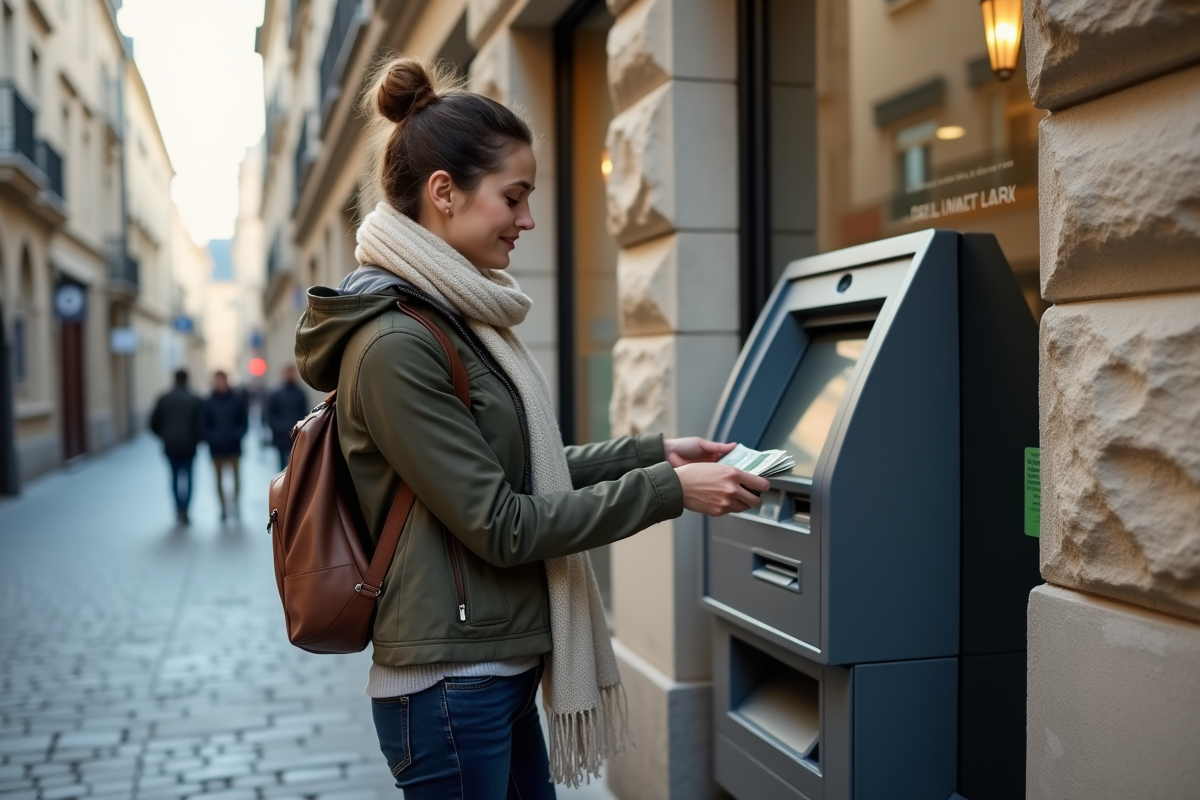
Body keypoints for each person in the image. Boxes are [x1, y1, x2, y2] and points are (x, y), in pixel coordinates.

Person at [293, 57, 769, 800]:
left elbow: (521, 466)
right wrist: (669, 490)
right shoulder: (395, 343)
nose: (528, 220)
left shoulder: (453, 317)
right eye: (513, 197)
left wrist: (652, 453)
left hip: (493, 669)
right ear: (444, 193)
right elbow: (504, 524)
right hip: (449, 688)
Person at [149, 369, 203, 525]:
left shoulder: (164, 398)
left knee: (173, 478)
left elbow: (153, 423)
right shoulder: (195, 398)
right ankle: (185, 509)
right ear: (188, 379)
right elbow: (201, 424)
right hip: (189, 445)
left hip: (170, 445)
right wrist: (196, 438)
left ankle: (178, 508)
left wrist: (165, 435)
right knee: (189, 477)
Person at [199, 370, 249, 522]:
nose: (219, 383)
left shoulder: (237, 399)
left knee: (236, 479)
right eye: (217, 381)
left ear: (226, 381)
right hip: (216, 448)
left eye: (222, 380)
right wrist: (213, 438)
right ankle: (222, 508)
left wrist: (236, 436)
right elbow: (202, 425)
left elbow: (244, 422)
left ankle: (236, 505)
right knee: (218, 480)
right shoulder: (208, 401)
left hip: (234, 447)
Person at [265, 365, 310, 469]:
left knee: (297, 465)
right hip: (281, 437)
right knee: (282, 467)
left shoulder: (300, 393)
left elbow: (305, 413)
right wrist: (281, 428)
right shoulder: (275, 393)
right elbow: (270, 416)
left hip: (297, 435)